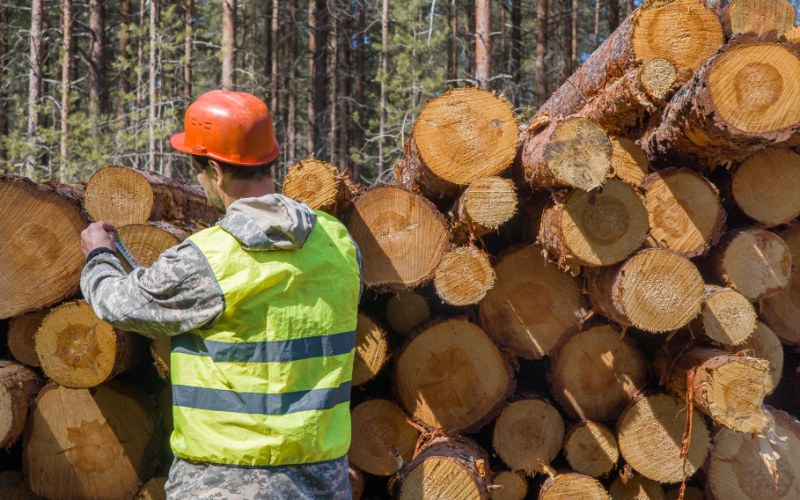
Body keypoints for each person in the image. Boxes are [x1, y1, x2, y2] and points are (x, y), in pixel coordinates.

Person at [80, 90, 362, 500]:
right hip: (325, 479)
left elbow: (117, 304)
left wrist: (100, 256)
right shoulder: (337, 241)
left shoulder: (211, 258)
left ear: (214, 169)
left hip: (228, 482)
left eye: (198, 169)